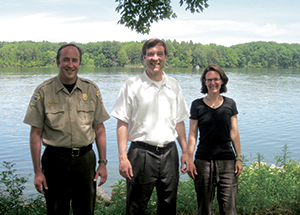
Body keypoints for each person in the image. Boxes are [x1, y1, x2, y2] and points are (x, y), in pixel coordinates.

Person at [23, 43, 110, 215]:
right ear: (58, 62)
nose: (71, 64)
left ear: (79, 63)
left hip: (85, 161)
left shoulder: (91, 90)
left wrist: (103, 163)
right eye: (66, 60)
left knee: (85, 211)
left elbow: (99, 128)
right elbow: (35, 134)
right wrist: (37, 171)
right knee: (56, 211)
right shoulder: (44, 91)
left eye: (75, 60)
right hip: (55, 162)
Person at [111, 38, 190, 215]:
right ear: (144, 57)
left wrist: (185, 151)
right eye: (151, 54)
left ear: (165, 57)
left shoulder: (174, 85)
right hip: (141, 154)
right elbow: (122, 122)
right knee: (136, 207)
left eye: (159, 54)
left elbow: (179, 121)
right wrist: (123, 157)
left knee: (169, 206)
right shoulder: (132, 85)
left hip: (169, 153)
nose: (155, 58)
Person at [187, 65, 243, 215]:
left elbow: (234, 132)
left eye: (216, 79)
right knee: (204, 209)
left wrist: (239, 158)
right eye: (209, 80)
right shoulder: (196, 105)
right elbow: (192, 134)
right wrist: (189, 159)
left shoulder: (230, 104)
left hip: (227, 162)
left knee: (229, 210)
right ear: (204, 82)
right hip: (203, 162)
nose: (213, 83)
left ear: (222, 81)